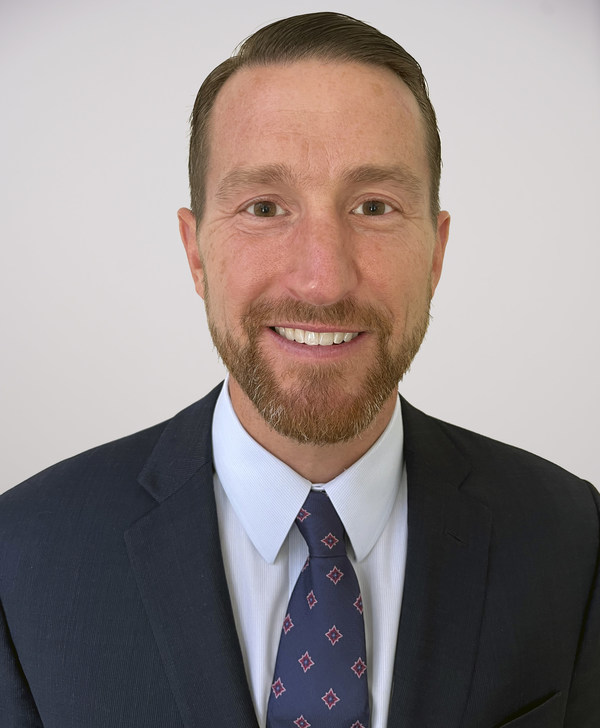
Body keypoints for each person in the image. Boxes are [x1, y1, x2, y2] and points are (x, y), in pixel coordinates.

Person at [0, 11, 598, 728]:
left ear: (436, 253)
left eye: (374, 206)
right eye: (264, 207)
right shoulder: (21, 558)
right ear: (195, 252)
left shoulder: (573, 541)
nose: (322, 280)